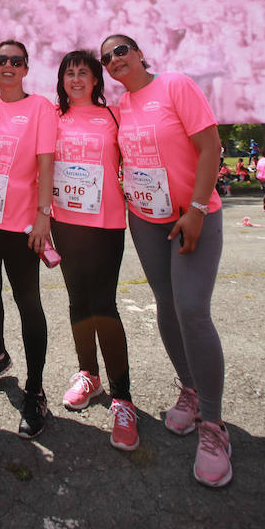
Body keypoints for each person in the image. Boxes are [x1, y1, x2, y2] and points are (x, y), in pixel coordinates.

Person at [100, 33, 231, 489]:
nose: (114, 60)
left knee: (192, 310)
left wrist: (196, 210)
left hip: (192, 216)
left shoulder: (175, 85)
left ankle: (213, 427)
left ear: (138, 54)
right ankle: (190, 391)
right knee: (166, 302)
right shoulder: (120, 108)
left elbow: (210, 147)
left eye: (120, 51)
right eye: (106, 58)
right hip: (146, 219)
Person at [0, 40, 57, 438]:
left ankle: (35, 391)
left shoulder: (40, 108)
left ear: (25, 68)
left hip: (22, 225)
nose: (7, 66)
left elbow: (46, 162)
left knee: (28, 303)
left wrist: (43, 217)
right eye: (0, 60)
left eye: (15, 61)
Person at [51, 50, 139, 451]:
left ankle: (122, 398)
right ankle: (89, 374)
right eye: (69, 73)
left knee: (104, 306)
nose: (76, 79)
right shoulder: (52, 117)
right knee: (77, 304)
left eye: (83, 73)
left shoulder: (113, 115)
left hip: (105, 225)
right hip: (64, 225)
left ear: (96, 80)